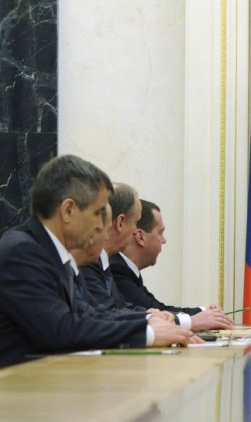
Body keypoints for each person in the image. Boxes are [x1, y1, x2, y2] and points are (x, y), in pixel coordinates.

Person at [0, 155, 191, 367]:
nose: (103, 224)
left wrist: (146, 321)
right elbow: (60, 330)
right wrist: (147, 333)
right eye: (98, 212)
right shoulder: (23, 251)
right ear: (68, 210)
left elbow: (90, 313)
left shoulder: (52, 252)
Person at [110, 200, 233, 331]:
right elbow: (147, 309)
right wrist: (196, 318)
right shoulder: (116, 268)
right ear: (140, 237)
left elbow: (156, 307)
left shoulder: (126, 268)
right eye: (160, 233)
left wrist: (204, 313)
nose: (164, 240)